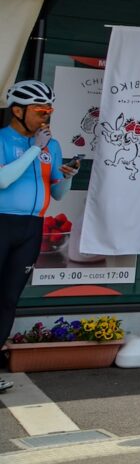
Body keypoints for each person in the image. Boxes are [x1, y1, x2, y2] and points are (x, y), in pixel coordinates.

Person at [1, 80, 79, 393]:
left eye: (49, 109)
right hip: (3, 222)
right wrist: (34, 148)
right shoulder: (5, 139)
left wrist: (68, 176)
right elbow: (3, 180)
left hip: (32, 227)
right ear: (17, 111)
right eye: (39, 110)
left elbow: (58, 193)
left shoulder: (53, 145)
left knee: (8, 299)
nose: (46, 116)